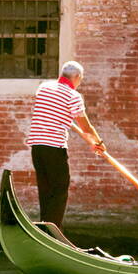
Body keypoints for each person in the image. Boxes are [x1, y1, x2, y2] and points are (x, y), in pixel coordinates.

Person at [26, 60, 108, 229]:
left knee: (46, 189)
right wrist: (99, 143)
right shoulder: (73, 96)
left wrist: (90, 141)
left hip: (37, 147)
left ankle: (44, 226)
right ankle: (53, 229)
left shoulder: (44, 88)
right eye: (81, 79)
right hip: (55, 147)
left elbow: (55, 113)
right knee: (60, 189)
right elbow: (86, 126)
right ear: (76, 77)